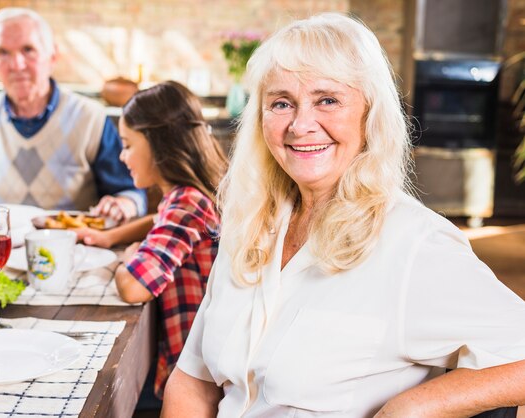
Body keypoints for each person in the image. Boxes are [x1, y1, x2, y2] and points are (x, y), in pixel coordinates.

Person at [162, 12, 525, 418]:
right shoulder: (250, 226)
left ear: (370, 115)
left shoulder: (413, 244)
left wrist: (416, 405)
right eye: (281, 103)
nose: (300, 126)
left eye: (327, 100)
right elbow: (193, 382)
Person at [76, 81, 227, 402]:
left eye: (128, 144)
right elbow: (159, 218)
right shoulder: (192, 196)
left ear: (158, 144)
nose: (122, 155)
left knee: (98, 379)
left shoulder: (186, 204)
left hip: (191, 374)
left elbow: (133, 287)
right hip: (198, 362)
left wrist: (127, 256)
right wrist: (109, 237)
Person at [0, 7, 146, 219]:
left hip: (73, 253)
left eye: (28, 50)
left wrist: (125, 203)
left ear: (52, 56)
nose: (17, 64)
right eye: (3, 52)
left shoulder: (91, 118)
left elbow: (130, 192)